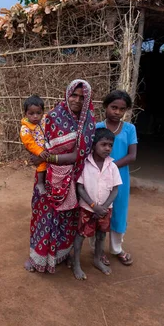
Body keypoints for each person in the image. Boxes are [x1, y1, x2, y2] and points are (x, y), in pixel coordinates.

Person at [24, 79, 96, 273]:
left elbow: (84, 152)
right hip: (49, 176)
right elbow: (40, 141)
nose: (77, 100)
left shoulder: (90, 120)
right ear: (67, 94)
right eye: (74, 95)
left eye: (82, 97)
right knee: (44, 216)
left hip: (76, 177)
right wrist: (39, 156)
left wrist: (53, 157)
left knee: (69, 218)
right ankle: (38, 257)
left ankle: (62, 254)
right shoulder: (54, 116)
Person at [71, 128, 122, 280]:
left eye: (110, 145)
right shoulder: (85, 164)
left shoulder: (112, 166)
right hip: (87, 209)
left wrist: (104, 206)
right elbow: (80, 188)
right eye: (103, 144)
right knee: (81, 235)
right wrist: (94, 206)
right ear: (93, 145)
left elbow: (115, 190)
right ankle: (76, 264)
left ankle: (97, 259)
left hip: (105, 210)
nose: (107, 148)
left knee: (101, 236)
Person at [95, 90, 138, 266]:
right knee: (98, 210)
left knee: (119, 211)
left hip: (119, 178)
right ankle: (97, 249)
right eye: (113, 107)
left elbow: (132, 155)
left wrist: (110, 167)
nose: (117, 112)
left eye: (122, 109)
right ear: (106, 106)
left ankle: (116, 248)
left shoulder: (129, 129)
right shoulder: (97, 128)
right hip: (98, 177)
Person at [20, 95, 49, 195]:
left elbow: (52, 114)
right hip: (39, 150)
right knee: (42, 165)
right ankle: (40, 183)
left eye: (38, 113)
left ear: (43, 112)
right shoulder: (25, 128)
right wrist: (39, 151)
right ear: (26, 114)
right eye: (31, 113)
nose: (35, 116)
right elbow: (29, 143)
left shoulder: (45, 119)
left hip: (48, 147)